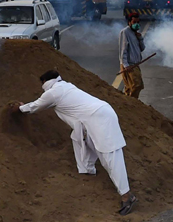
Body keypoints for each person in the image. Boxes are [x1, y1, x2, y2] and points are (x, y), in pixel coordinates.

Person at [12, 70, 137, 215]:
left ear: (45, 82)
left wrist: (20, 108)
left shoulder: (53, 92)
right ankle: (87, 170)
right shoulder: (65, 86)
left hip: (100, 118)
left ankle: (127, 195)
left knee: (110, 155)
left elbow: (35, 106)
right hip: (95, 117)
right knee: (79, 138)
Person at [119, 12, 145, 98]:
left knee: (130, 87)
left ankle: (128, 104)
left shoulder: (136, 33)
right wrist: (126, 65)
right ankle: (133, 102)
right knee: (137, 85)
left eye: (138, 22)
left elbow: (142, 48)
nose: (136, 24)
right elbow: (123, 50)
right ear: (129, 22)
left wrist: (140, 38)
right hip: (129, 65)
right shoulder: (125, 32)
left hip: (135, 64)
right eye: (134, 22)